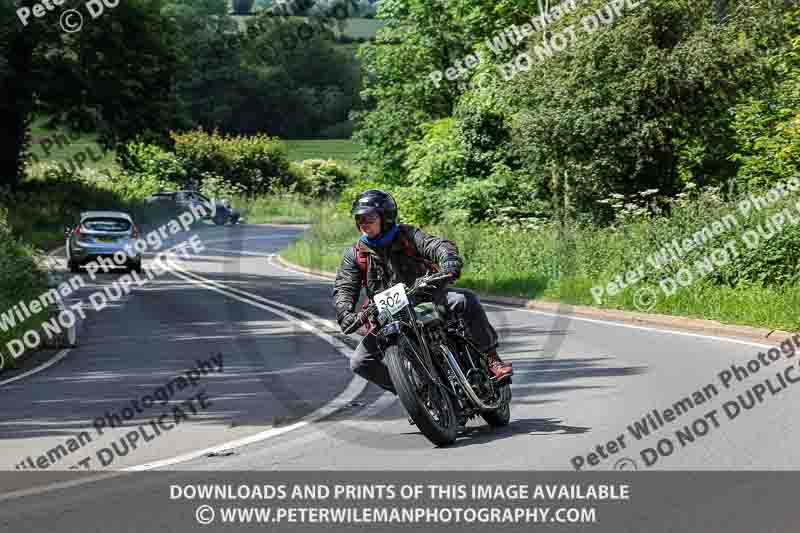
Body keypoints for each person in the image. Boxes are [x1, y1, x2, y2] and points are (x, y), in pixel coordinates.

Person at [332, 189, 513, 396]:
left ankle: (492, 359)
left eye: (370, 218)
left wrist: (448, 259)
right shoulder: (355, 255)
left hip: (427, 297)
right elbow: (344, 287)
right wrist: (344, 312)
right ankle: (415, 392)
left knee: (464, 300)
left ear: (386, 217)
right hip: (388, 314)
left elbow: (434, 245)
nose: (364, 223)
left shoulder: (407, 235)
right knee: (360, 362)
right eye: (360, 218)